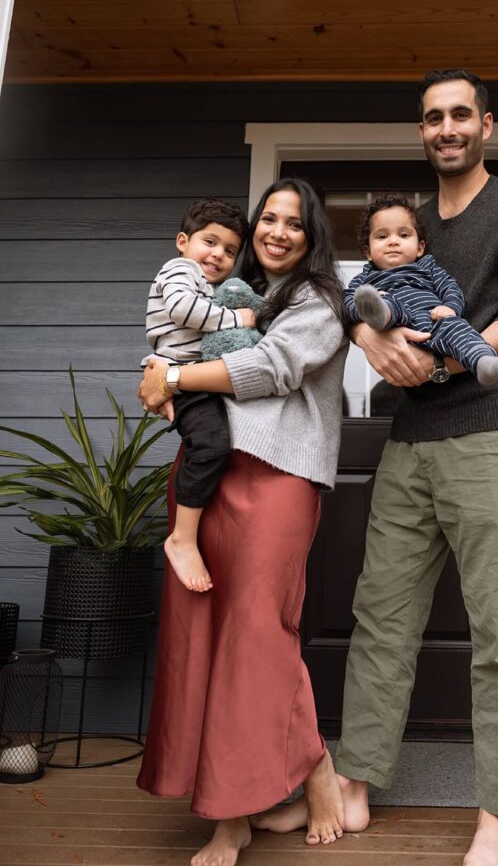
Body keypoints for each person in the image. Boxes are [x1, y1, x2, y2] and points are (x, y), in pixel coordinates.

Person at [253, 69, 498, 866]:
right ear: (421, 131)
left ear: (485, 125)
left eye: (460, 114)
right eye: (433, 117)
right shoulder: (407, 224)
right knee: (380, 614)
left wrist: (449, 365)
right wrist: (366, 340)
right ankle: (353, 779)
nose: (447, 127)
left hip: (489, 434)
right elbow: (358, 302)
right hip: (406, 444)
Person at [136, 178, 349, 866]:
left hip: (280, 479)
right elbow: (176, 342)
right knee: (204, 636)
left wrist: (168, 380)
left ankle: (309, 770)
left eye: (294, 223)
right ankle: (232, 814)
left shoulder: (317, 300)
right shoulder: (231, 291)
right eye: (269, 220)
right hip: (210, 481)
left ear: (312, 237)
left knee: (259, 637)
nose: (278, 232)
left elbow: (271, 369)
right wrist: (161, 376)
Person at [143, 198, 253, 593]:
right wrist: (238, 319)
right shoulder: (180, 271)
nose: (218, 255)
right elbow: (183, 310)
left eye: (229, 251)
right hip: (181, 376)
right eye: (210, 242)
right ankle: (182, 537)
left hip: (189, 378)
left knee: (211, 443)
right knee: (210, 445)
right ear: (182, 241)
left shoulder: (208, 284)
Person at [344, 193, 498, 386]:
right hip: (398, 326)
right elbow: (347, 302)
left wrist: (451, 308)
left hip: (434, 323)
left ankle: (483, 362)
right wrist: (363, 308)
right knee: (388, 303)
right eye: (382, 236)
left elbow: (450, 288)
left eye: (403, 235)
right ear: (368, 251)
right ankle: (378, 312)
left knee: (458, 328)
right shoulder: (366, 279)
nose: (393, 241)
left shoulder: (428, 268)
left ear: (420, 247)